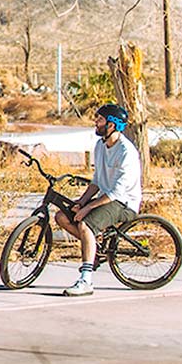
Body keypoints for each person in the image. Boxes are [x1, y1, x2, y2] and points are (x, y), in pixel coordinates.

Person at [54, 102, 141, 296]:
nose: (96, 122)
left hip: (124, 202)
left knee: (85, 224)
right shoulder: (101, 146)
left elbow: (118, 192)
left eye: (100, 119)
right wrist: (81, 202)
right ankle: (95, 246)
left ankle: (86, 280)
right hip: (106, 197)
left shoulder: (126, 152)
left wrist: (87, 209)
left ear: (111, 125)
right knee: (62, 216)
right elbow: (97, 182)